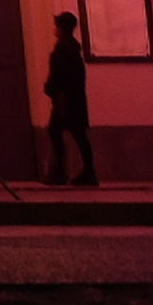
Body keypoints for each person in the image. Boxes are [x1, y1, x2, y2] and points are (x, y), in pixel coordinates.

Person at [43, 12, 97, 186]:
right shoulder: (73, 48)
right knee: (78, 134)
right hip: (74, 99)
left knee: (57, 132)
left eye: (57, 25)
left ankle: (59, 172)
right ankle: (88, 171)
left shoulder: (63, 49)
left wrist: (49, 88)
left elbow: (58, 76)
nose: (54, 29)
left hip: (64, 101)